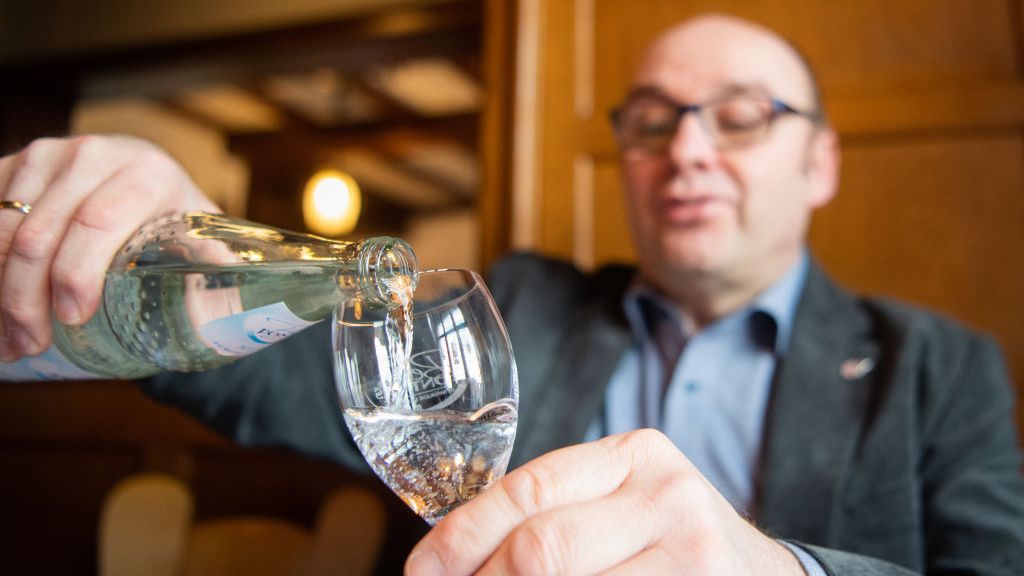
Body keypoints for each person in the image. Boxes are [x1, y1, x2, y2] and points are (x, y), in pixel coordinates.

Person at [1, 12, 1023, 575]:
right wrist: (173, 234)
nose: (689, 151)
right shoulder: (523, 304)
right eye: (652, 121)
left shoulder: (943, 368)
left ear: (820, 163)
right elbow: (273, 377)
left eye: (743, 116)